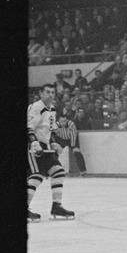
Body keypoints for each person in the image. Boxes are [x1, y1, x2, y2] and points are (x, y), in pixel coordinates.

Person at [27, 83, 74, 220]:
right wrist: (34, 143)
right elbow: (29, 128)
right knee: (36, 176)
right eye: (47, 92)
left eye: (53, 92)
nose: (50, 95)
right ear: (41, 93)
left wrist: (54, 143)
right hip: (34, 147)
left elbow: (51, 131)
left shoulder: (52, 109)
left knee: (58, 172)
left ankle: (56, 207)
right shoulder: (36, 107)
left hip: (46, 147)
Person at [52, 110, 87, 176]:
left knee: (77, 153)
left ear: (67, 120)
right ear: (59, 121)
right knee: (53, 154)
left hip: (71, 138)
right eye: (61, 121)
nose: (63, 123)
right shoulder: (55, 125)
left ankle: (83, 171)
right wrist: (54, 145)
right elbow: (52, 135)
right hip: (60, 139)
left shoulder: (71, 124)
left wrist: (74, 146)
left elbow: (74, 135)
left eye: (64, 121)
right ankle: (51, 170)